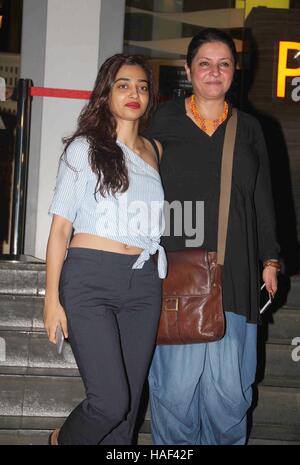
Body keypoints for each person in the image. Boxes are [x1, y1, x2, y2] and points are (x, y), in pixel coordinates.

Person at [144, 28, 280, 445]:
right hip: (177, 275)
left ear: (234, 73)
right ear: (188, 69)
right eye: (205, 62)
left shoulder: (251, 129)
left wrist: (270, 260)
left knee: (229, 394)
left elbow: (262, 197)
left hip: (235, 273)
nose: (214, 71)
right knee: (175, 391)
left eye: (224, 63)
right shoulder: (159, 120)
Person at [43, 54, 167, 445]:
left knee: (128, 413)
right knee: (110, 402)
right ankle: (61, 441)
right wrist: (51, 300)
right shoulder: (85, 148)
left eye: (142, 86)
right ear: (106, 93)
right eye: (124, 85)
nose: (135, 93)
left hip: (144, 284)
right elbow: (61, 227)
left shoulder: (155, 151)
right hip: (89, 279)